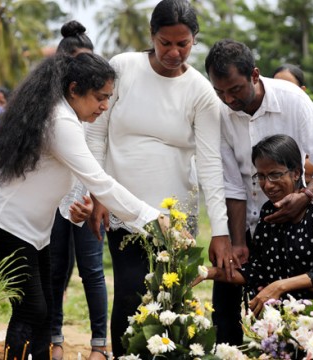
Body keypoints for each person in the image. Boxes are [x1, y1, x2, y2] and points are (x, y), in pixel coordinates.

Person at [0, 53, 167, 360]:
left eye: (109, 98)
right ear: (74, 89)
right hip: (5, 223)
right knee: (31, 309)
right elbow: (100, 182)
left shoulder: (70, 117)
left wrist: (74, 208)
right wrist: (151, 218)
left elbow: (54, 175)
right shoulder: (60, 120)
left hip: (33, 231)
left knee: (44, 308)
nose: (105, 106)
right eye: (100, 97)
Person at [85, 0, 231, 356]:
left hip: (174, 219)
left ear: (194, 40)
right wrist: (97, 194)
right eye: (166, 42)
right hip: (123, 208)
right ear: (152, 36)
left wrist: (222, 231)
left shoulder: (201, 92)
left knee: (170, 303)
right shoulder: (123, 68)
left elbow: (211, 164)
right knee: (131, 293)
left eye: (183, 43)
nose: (174, 52)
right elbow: (95, 136)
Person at [204, 39, 313, 345]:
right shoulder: (219, 111)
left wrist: (305, 197)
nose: (228, 99)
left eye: (235, 90)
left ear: (254, 75)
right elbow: (232, 183)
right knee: (228, 316)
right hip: (250, 224)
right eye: (220, 92)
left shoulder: (291, 99)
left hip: (298, 226)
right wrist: (239, 241)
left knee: (294, 315)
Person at [193, 134, 313, 317]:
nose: (267, 185)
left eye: (275, 175)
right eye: (261, 176)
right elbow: (258, 271)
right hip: (277, 318)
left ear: (296, 173)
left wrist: (279, 286)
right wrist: (206, 273)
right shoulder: (268, 211)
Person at [49, 20, 108, 360]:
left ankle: (99, 344)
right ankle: (55, 339)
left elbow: (100, 155)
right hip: (54, 198)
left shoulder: (97, 101)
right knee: (55, 269)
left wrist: (97, 197)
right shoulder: (49, 106)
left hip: (90, 195)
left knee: (93, 271)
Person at [272, 64, 313, 184]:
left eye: (288, 87)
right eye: (276, 86)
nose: (282, 92)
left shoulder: (308, 117)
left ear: (302, 91)